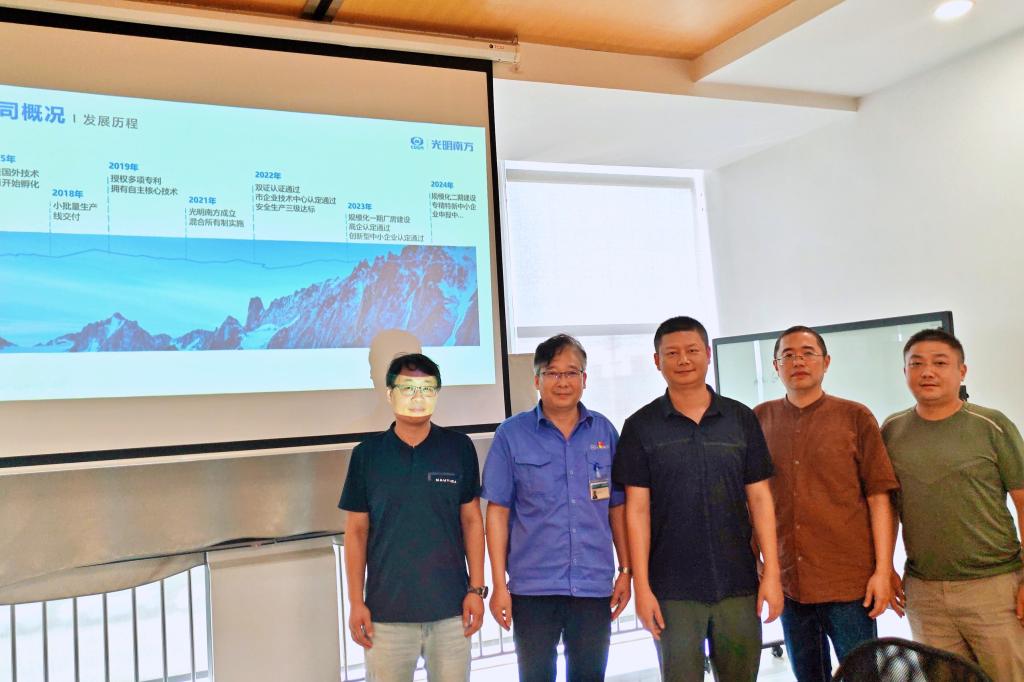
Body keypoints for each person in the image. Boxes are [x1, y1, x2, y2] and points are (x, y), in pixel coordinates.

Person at [612, 315, 783, 682]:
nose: (683, 360)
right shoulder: (640, 426)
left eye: (692, 350)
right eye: (671, 353)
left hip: (738, 583)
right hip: (671, 590)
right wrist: (642, 587)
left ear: (707, 353)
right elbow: (636, 512)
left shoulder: (740, 418)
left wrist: (772, 572)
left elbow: (760, 499)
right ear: (657, 361)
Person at [482, 334, 631, 682]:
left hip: (593, 586)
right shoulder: (511, 435)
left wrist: (625, 570)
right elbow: (497, 513)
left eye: (571, 372)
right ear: (537, 380)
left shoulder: (604, 431)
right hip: (532, 589)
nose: (562, 381)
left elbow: (617, 508)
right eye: (552, 373)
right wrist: (498, 585)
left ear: (584, 379)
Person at [754, 325, 899, 681]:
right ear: (775, 366)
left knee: (862, 676)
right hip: (790, 583)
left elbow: (879, 497)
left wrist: (883, 570)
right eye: (788, 355)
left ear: (826, 362)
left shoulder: (855, 417)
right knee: (808, 675)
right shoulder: (759, 419)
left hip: (849, 584)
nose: (798, 361)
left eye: (807, 353)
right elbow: (751, 500)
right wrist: (756, 561)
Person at [883, 328, 1024, 680]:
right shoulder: (892, 430)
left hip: (995, 588)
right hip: (924, 592)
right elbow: (887, 506)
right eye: (917, 364)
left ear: (962, 371)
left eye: (940, 363)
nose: (927, 372)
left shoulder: (992, 425)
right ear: (905, 372)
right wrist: (884, 567)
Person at [338, 353, 486, 682]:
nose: (417, 397)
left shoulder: (459, 448)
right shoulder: (367, 455)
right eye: (407, 388)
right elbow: (356, 532)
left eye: (427, 388)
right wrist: (355, 602)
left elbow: (472, 522)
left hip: (451, 612)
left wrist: (476, 591)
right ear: (390, 393)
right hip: (386, 616)